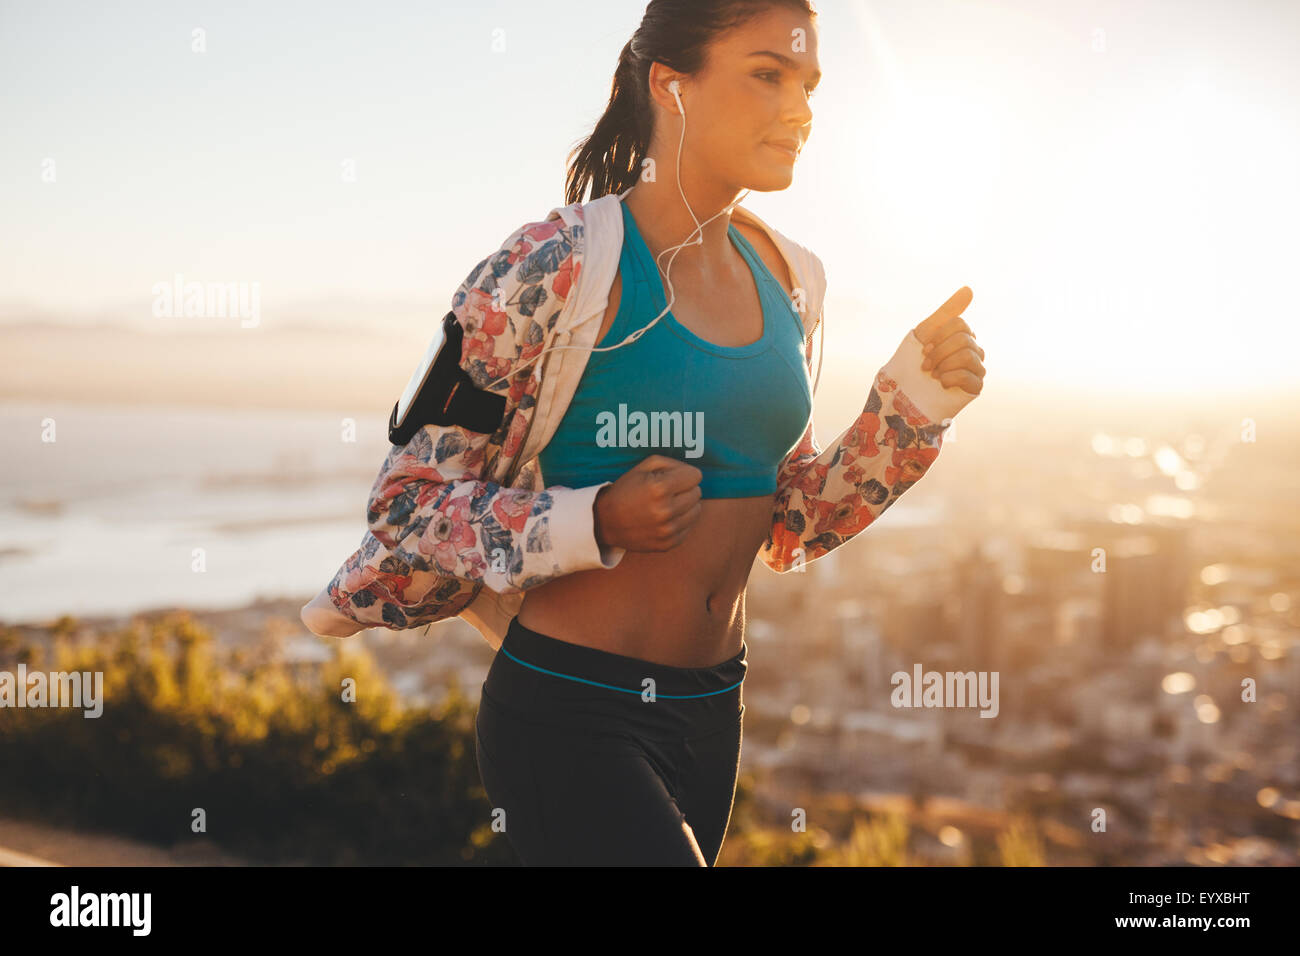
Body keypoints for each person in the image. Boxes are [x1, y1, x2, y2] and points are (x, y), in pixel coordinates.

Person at [470, 0, 987, 865]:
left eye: (809, 84)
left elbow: (787, 524)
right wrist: (590, 521)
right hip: (568, 708)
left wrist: (911, 408)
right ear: (671, 86)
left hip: (713, 710)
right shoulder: (552, 265)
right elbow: (408, 506)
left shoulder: (793, 281)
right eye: (767, 74)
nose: (801, 109)